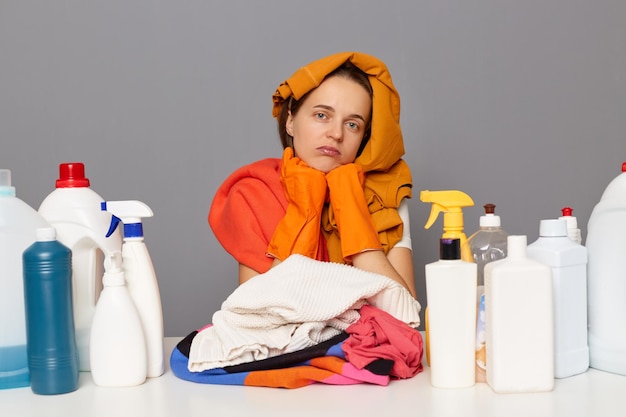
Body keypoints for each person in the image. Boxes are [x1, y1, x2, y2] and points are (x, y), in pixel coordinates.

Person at [209, 52, 416, 297]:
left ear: (363, 139)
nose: (336, 134)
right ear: (290, 121)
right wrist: (304, 210)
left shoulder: (383, 197)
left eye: (352, 124)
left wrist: (351, 207)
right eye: (321, 115)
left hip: (365, 337)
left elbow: (405, 315)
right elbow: (257, 313)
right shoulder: (253, 194)